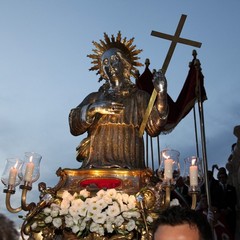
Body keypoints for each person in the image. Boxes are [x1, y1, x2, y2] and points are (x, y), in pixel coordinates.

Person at [69, 32, 168, 169]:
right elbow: (74, 126)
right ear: (102, 71)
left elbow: (154, 127)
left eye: (115, 59)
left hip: (130, 166)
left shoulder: (140, 97)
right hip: (95, 167)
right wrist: (94, 108)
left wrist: (162, 93)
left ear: (125, 64)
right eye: (105, 63)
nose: (110, 65)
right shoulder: (95, 97)